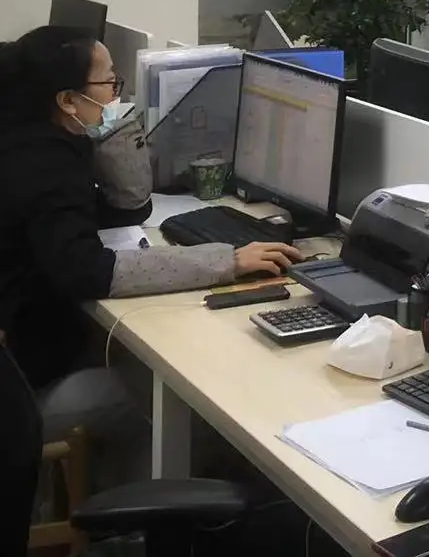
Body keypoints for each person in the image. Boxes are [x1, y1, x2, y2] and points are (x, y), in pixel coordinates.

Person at [0, 25, 300, 482]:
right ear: (66, 100)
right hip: (20, 402)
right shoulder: (42, 168)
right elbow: (87, 271)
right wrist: (227, 261)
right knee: (185, 403)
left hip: (25, 365)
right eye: (109, 83)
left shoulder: (33, 138)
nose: (117, 94)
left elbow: (127, 207)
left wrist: (112, 127)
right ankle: (138, 516)